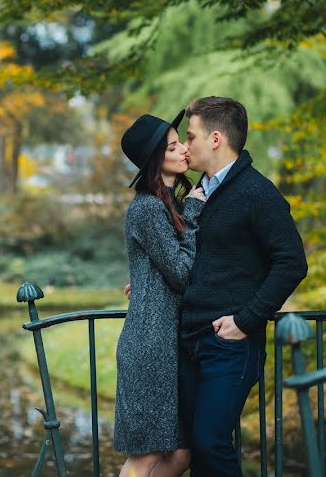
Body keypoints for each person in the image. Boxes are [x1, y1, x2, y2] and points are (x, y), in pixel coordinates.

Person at [179, 96, 308, 477]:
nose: (186, 145)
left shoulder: (257, 193)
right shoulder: (196, 194)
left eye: (192, 136)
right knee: (194, 451)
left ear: (216, 138)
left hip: (229, 345)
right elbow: (187, 259)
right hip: (186, 341)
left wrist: (247, 320)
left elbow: (292, 262)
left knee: (209, 441)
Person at [114, 110, 208, 477]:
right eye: (173, 146)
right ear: (157, 160)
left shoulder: (168, 204)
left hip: (167, 345)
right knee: (146, 456)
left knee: (181, 456)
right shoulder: (150, 208)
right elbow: (183, 274)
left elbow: (164, 262)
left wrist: (145, 283)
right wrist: (196, 213)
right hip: (150, 348)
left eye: (181, 141)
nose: (185, 148)